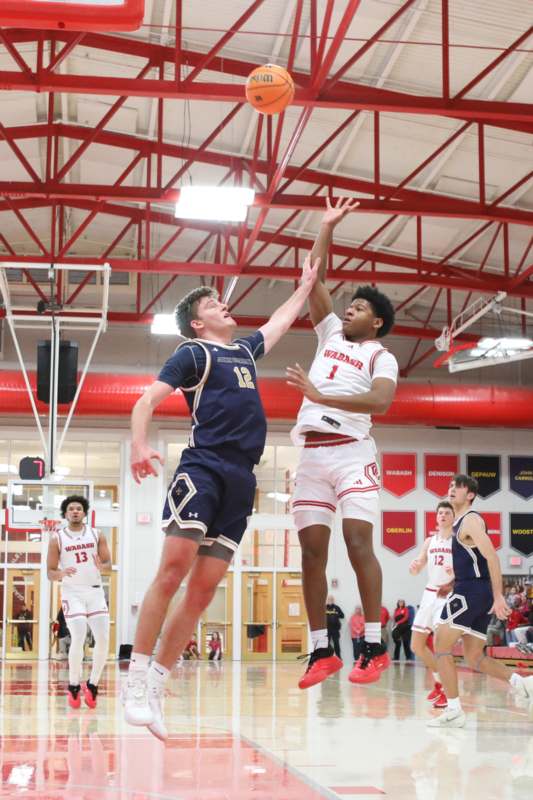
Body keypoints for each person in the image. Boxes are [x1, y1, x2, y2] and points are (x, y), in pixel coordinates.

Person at [122, 255, 320, 741]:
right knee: (174, 570)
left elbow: (279, 321)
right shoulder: (193, 353)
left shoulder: (246, 353)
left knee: (205, 589)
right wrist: (140, 444)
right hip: (204, 466)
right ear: (197, 320)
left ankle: (157, 686)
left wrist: (306, 286)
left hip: (242, 479)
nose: (224, 305)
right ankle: (134, 678)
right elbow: (146, 400)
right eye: (213, 303)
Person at [287, 197, 398, 690]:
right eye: (348, 304)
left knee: (357, 543)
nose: (348, 308)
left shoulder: (381, 354)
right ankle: (321, 651)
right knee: (311, 551)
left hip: (353, 454)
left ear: (374, 322)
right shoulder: (329, 332)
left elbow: (379, 403)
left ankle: (373, 645)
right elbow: (314, 275)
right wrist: (326, 226)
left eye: (359, 308)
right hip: (312, 455)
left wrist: (320, 394)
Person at [429, 474, 533, 728]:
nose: (452, 489)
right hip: (472, 590)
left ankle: (453, 709)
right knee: (474, 656)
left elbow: (492, 558)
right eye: (451, 485)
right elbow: (473, 565)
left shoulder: (470, 521)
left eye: (459, 486)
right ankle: (522, 682)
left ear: (471, 494)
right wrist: (450, 585)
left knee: (440, 643)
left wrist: (498, 596)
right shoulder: (459, 523)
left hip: (472, 593)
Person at [47, 495, 111, 710]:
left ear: (85, 513)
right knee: (79, 635)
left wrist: (103, 567)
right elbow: (49, 572)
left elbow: (109, 565)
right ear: (65, 514)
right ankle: (74, 685)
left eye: (79, 508)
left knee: (103, 639)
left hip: (95, 592)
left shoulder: (97, 534)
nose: (75, 511)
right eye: (71, 509)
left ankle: (92, 684)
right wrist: (61, 572)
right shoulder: (57, 538)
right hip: (72, 592)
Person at [409, 500, 454, 709]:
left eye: (447, 512)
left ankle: (449, 693)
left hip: (447, 595)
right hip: (429, 593)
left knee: (440, 646)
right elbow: (418, 566)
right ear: (436, 517)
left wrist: (452, 582)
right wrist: (415, 566)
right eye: (440, 513)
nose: (443, 515)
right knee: (416, 645)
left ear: (453, 517)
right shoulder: (429, 541)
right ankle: (440, 683)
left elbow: (466, 571)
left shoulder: (457, 542)